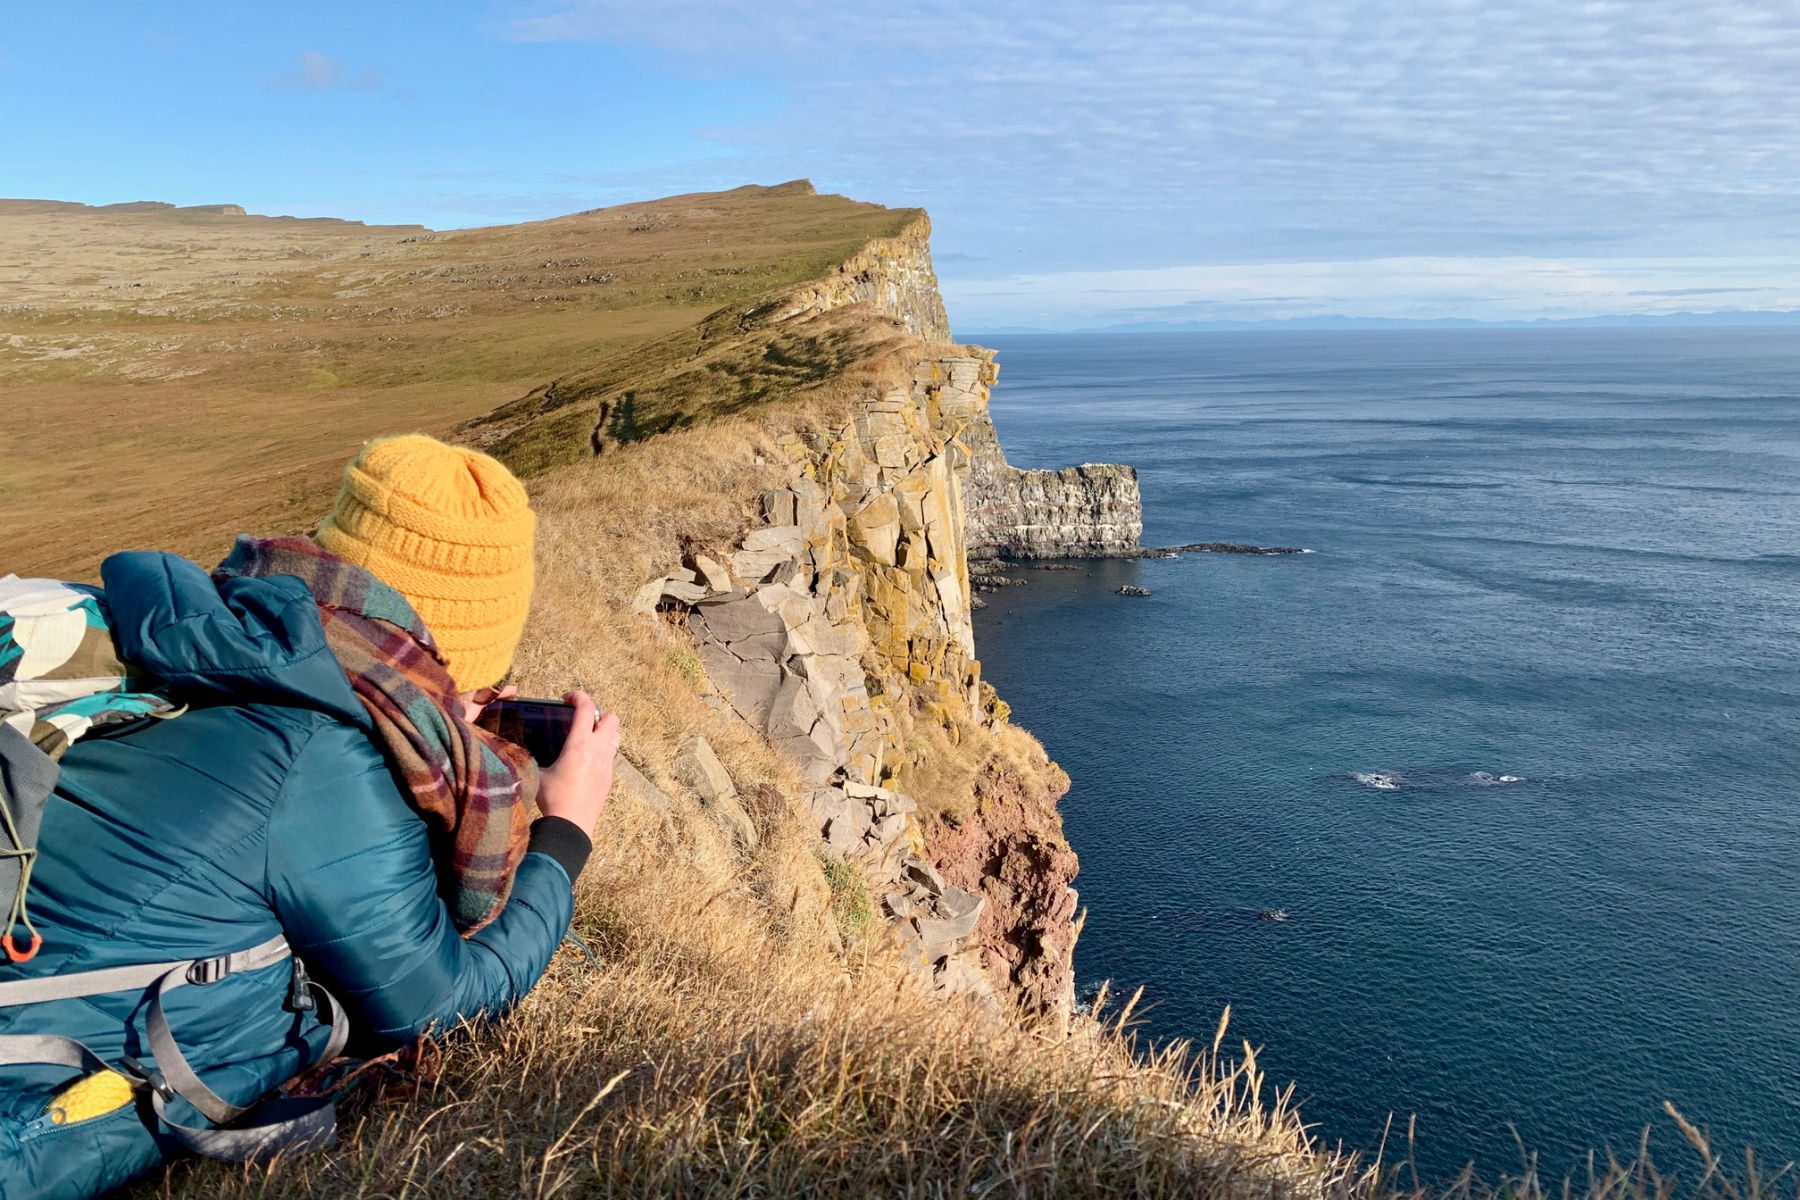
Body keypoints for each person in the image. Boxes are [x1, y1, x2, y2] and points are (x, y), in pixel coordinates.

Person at [0, 435, 618, 1199]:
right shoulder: (324, 759)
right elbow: (439, 1006)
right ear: (452, 657)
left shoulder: (205, 636)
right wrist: (566, 832)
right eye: (486, 689)